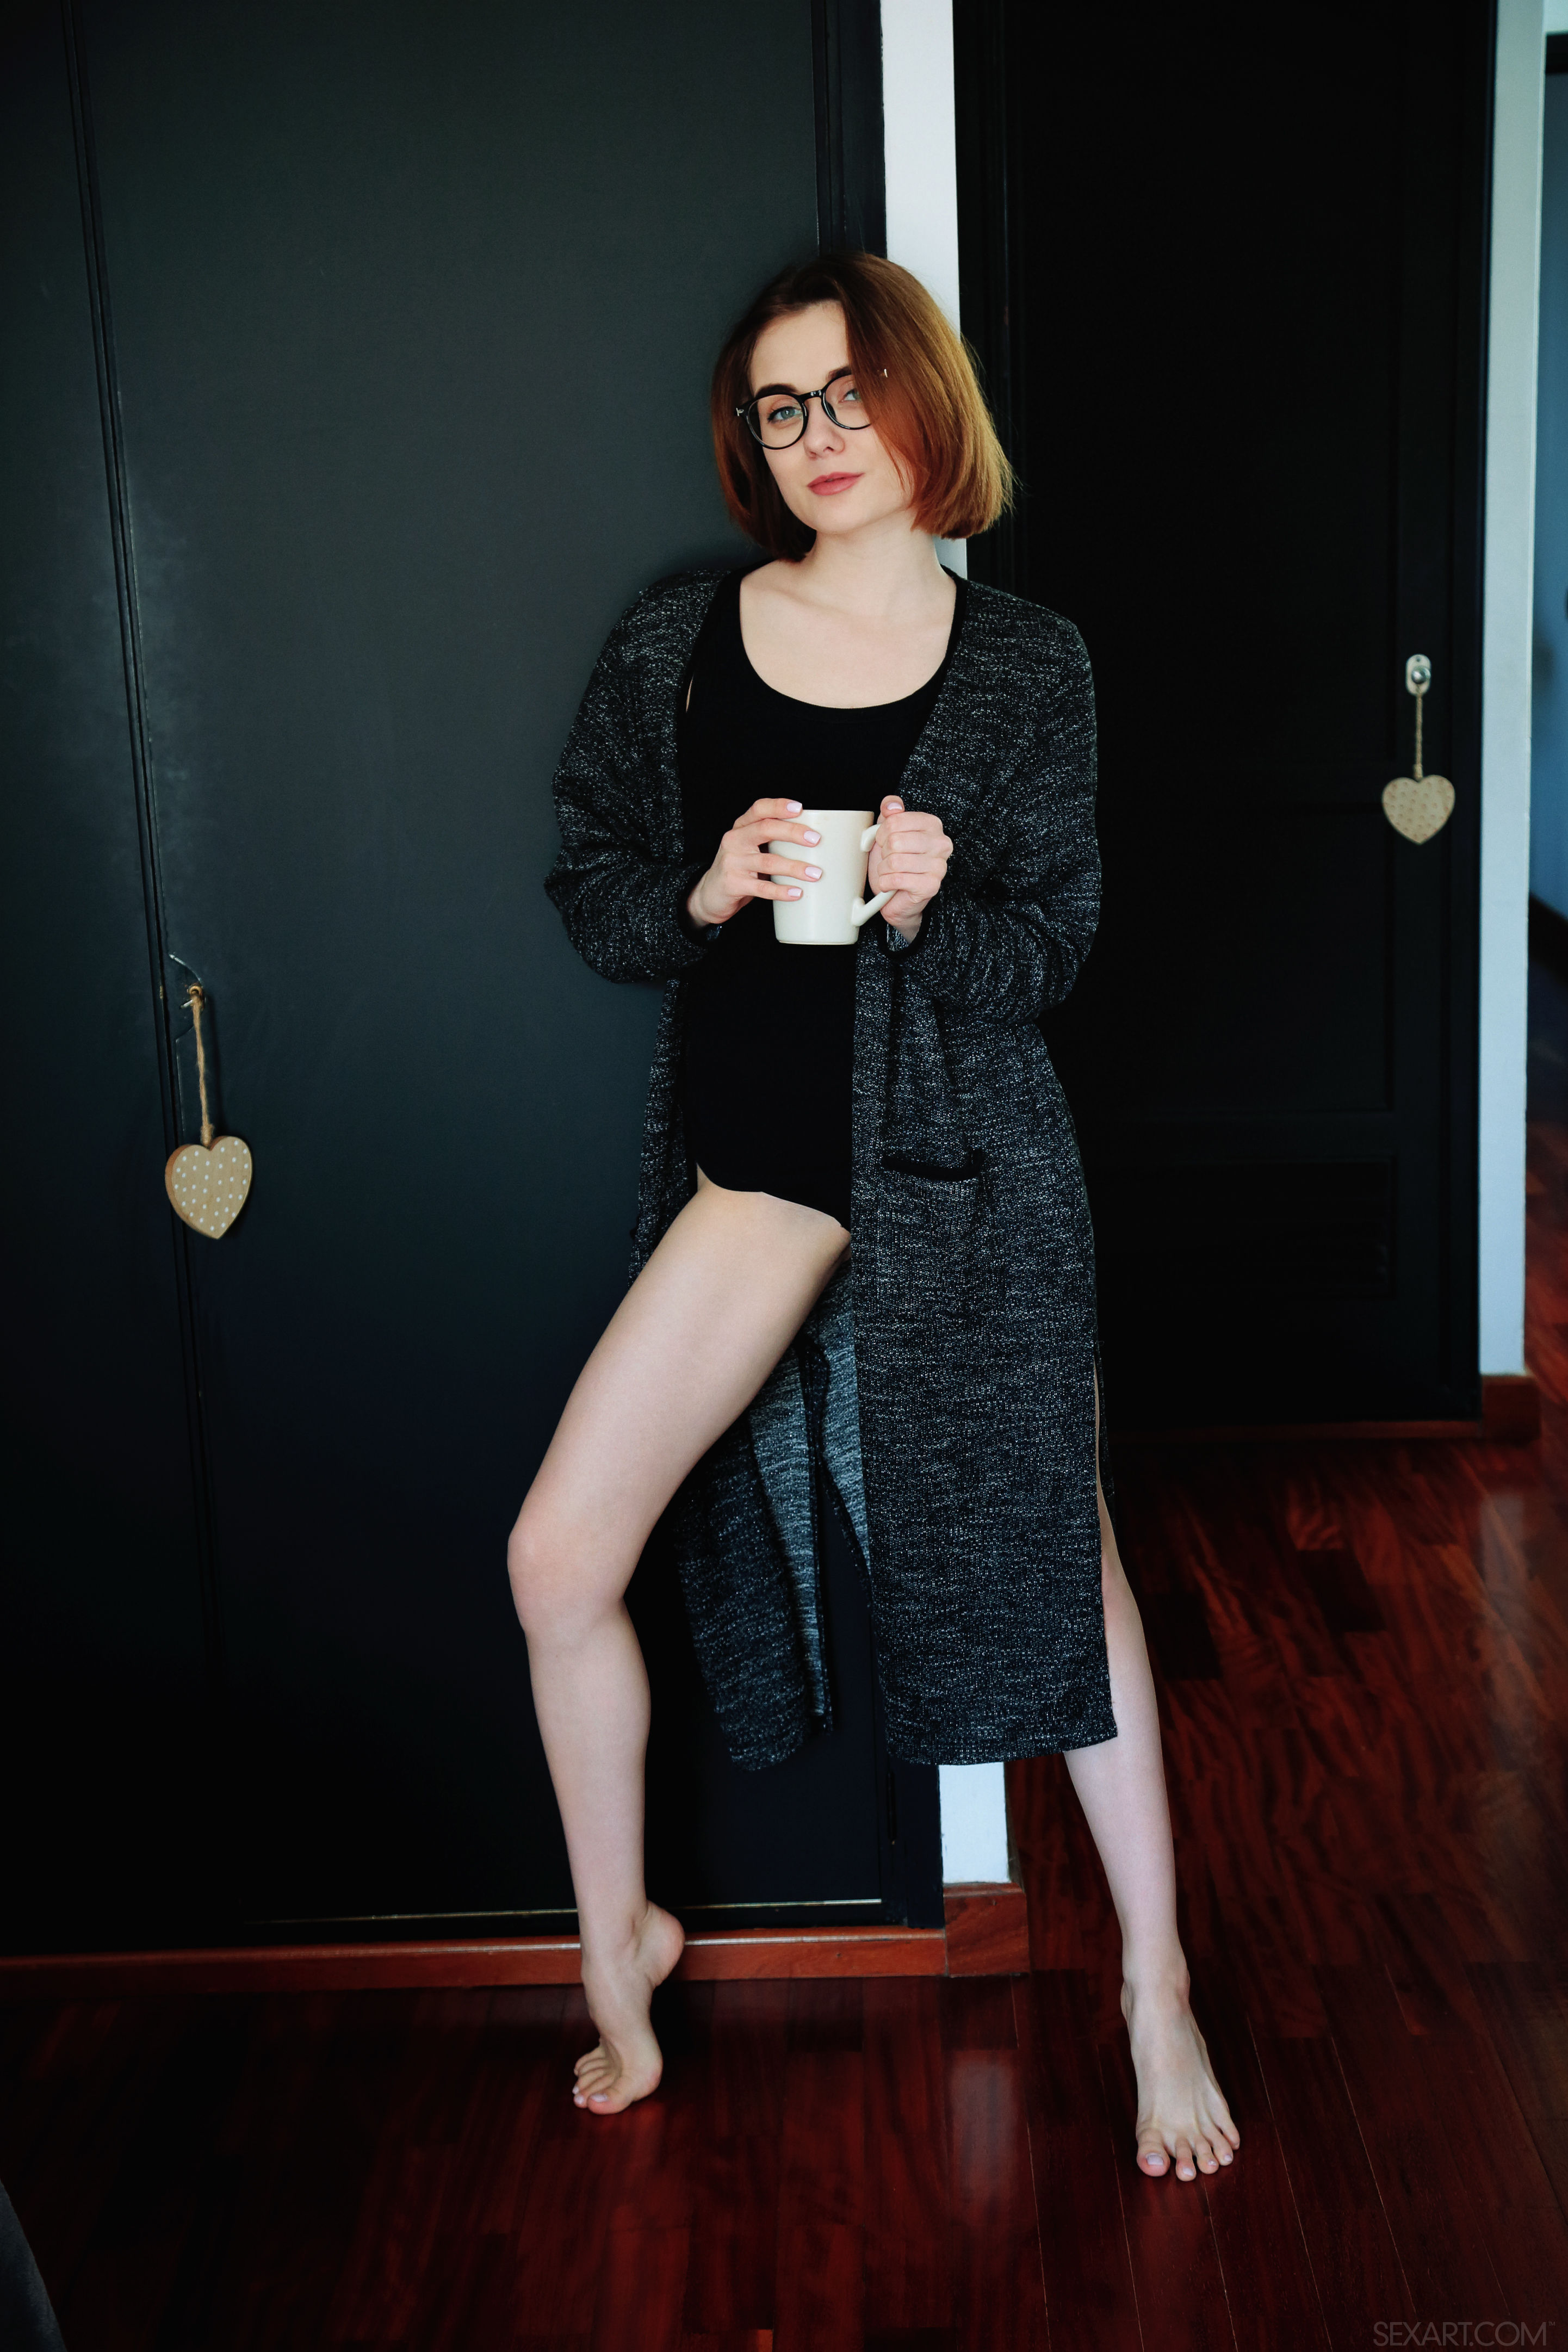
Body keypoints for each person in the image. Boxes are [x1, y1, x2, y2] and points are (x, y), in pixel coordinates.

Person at [509, 252, 1238, 2182]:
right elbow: (592, 886)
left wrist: (929, 905)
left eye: (849, 393)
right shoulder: (686, 637)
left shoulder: (1030, 663)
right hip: (759, 1185)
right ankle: (618, 1944)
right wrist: (705, 886)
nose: (819, 436)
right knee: (558, 1556)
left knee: (1062, 1575)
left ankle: (1153, 1983)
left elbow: (1049, 950)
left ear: (923, 403)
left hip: (967, 1187)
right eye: (780, 409)